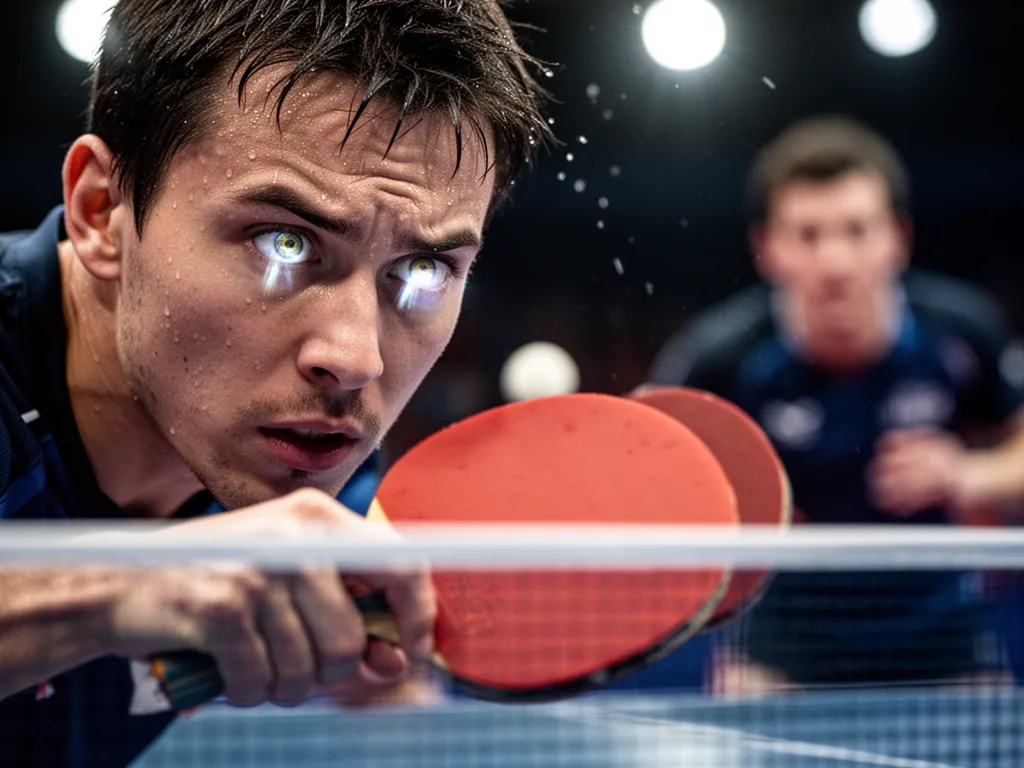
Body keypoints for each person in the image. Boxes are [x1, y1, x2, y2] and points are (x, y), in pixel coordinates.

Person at [0, 0, 551, 765]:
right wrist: (128, 590)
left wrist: (394, 695)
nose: (357, 358)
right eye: (284, 243)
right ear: (101, 211)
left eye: (424, 269)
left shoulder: (320, 469)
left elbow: (384, 698)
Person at [643, 116, 1024, 692]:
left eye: (856, 230)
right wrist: (735, 511)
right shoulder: (719, 355)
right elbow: (651, 475)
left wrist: (966, 472)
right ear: (766, 248)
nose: (835, 262)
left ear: (898, 238)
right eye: (808, 234)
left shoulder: (962, 329)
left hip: (943, 635)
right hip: (782, 645)